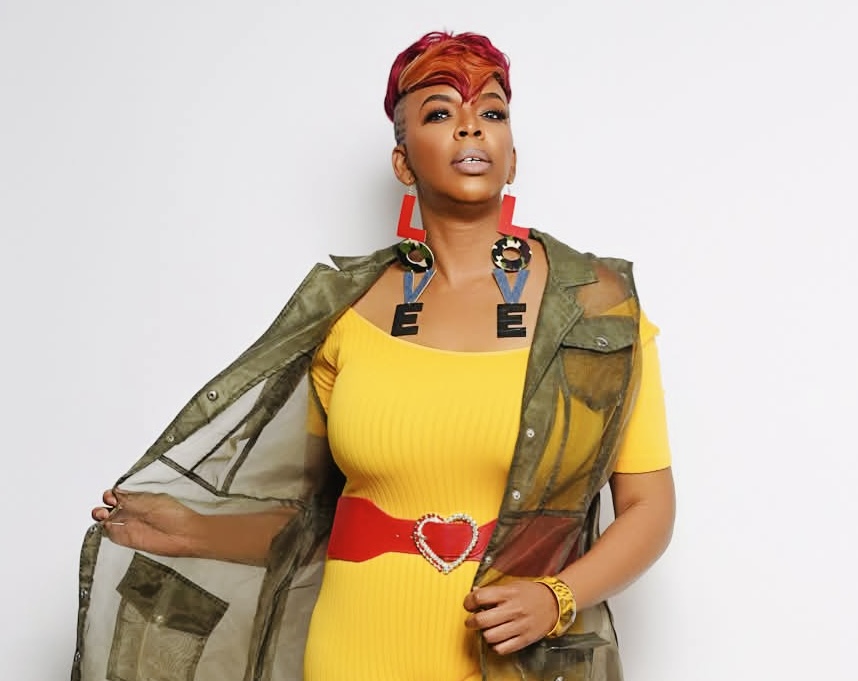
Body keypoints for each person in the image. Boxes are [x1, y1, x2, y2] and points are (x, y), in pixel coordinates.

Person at [78, 30, 675, 681]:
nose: (471, 127)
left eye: (492, 112)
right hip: (352, 651)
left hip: (514, 661)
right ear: (402, 163)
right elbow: (314, 521)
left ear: (512, 158)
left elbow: (649, 508)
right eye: (440, 113)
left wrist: (558, 596)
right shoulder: (346, 312)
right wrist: (193, 530)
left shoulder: (597, 309)